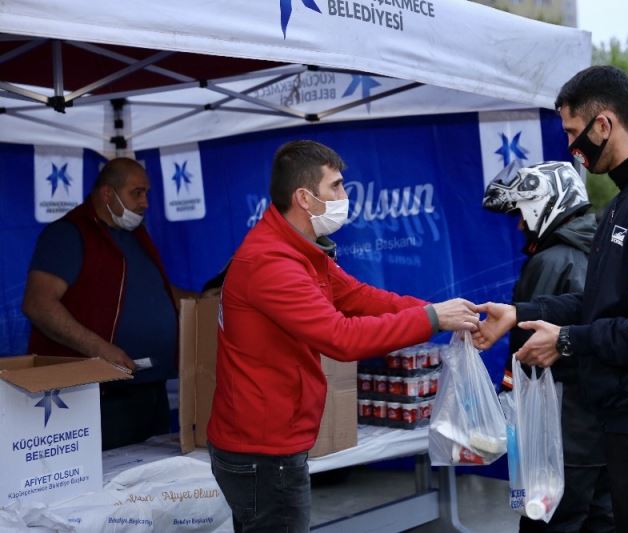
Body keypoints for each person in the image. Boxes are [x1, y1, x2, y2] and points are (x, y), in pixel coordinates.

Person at [473, 65, 628, 533]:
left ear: (603, 124)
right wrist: (520, 314)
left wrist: (567, 342)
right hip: (627, 431)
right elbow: (598, 304)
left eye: (574, 132)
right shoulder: (625, 202)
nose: (573, 148)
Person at [206, 140, 479, 533]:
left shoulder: (298, 250)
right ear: (304, 197)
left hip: (269, 443)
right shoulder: (271, 262)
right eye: (335, 186)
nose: (345, 196)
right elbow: (341, 338)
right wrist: (433, 318)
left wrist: (448, 314)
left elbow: (361, 297)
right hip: (262, 452)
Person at [22, 157, 190, 450]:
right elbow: (38, 304)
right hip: (103, 394)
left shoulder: (135, 236)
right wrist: (100, 350)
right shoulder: (69, 234)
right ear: (107, 194)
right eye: (136, 192)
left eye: (147, 193)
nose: (145, 202)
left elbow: (157, 291)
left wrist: (202, 300)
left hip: (152, 389)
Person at [483, 161, 613, 532]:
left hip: (561, 430)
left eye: (522, 213)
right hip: (600, 426)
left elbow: (527, 349)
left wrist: (506, 397)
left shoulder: (552, 260)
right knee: (602, 520)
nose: (521, 224)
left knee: (548, 521)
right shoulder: (601, 249)